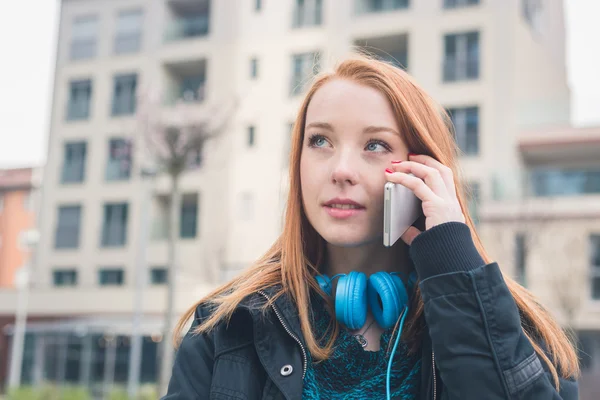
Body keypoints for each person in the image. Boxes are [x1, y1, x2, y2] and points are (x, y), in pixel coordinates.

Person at [162, 54, 580, 399]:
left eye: (375, 145)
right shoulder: (228, 329)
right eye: (320, 141)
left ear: (423, 169)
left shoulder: (511, 326)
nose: (341, 170)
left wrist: (456, 269)